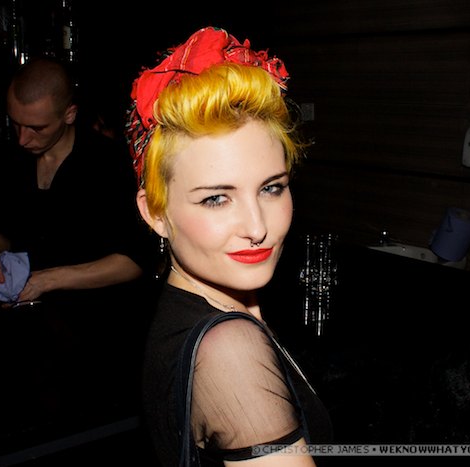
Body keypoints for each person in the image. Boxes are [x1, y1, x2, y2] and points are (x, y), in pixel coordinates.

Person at [128, 27, 333, 466]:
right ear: (155, 213)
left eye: (271, 188)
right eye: (216, 199)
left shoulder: (203, 312)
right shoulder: (228, 350)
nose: (257, 227)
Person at [0, 56, 155, 415]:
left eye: (36, 128)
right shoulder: (14, 158)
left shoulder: (108, 164)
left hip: (100, 342)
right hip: (32, 343)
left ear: (69, 114)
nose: (22, 138)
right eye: (15, 124)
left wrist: (47, 280)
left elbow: (135, 260)